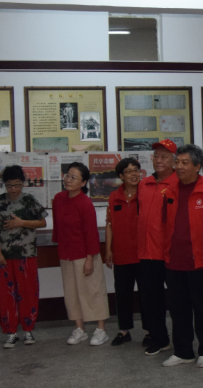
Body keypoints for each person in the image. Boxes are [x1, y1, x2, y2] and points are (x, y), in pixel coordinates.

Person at [160, 145, 203, 368]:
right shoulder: (169, 190)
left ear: (197, 166)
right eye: (177, 162)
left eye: (185, 163)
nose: (179, 167)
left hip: (201, 261)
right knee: (178, 310)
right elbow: (165, 224)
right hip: (174, 261)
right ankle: (183, 351)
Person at [0, 165, 47, 349]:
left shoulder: (29, 200)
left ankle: (28, 330)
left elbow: (42, 222)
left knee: (28, 292)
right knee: (6, 295)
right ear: (4, 185)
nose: (13, 189)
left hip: (26, 255)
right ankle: (10, 332)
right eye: (9, 185)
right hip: (4, 257)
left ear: (22, 184)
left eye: (17, 185)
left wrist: (22, 222)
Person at [53, 162, 110, 346]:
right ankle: (80, 329)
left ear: (84, 182)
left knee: (93, 291)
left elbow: (91, 233)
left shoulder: (85, 203)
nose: (68, 180)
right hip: (66, 254)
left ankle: (101, 330)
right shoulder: (58, 199)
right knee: (72, 293)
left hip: (85, 255)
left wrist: (89, 259)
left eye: (73, 177)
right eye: (67, 175)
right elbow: (58, 228)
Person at [136, 140, 179, 355]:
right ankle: (159, 339)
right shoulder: (144, 184)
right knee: (151, 300)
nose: (158, 160)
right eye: (156, 156)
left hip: (171, 253)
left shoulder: (179, 183)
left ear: (174, 160)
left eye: (164, 156)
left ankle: (183, 343)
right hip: (147, 253)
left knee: (178, 301)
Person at [104, 157, 143, 346]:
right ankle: (124, 330)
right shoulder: (114, 196)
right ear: (121, 176)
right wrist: (108, 250)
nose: (134, 174)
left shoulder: (146, 194)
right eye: (129, 171)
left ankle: (150, 330)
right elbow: (109, 225)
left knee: (146, 295)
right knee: (122, 294)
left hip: (143, 254)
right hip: (121, 254)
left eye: (136, 170)